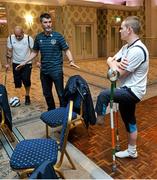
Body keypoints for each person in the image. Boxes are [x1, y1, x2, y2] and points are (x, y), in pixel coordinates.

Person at [95, 16, 149, 159]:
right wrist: (111, 62)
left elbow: (115, 74)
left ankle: (99, 119)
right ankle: (132, 151)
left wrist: (113, 64)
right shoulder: (126, 47)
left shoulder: (138, 50)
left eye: (122, 28)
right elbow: (110, 60)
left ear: (129, 30)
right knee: (129, 120)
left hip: (133, 91)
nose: (120, 31)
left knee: (104, 95)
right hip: (125, 88)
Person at [16, 13, 79, 111]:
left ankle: (63, 111)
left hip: (56, 70)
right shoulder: (38, 37)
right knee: (47, 93)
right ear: (41, 23)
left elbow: (66, 49)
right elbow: (35, 52)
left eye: (50, 22)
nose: (48, 24)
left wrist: (71, 60)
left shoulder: (58, 36)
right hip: (44, 71)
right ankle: (52, 110)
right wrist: (25, 62)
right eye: (45, 22)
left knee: (60, 93)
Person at [5, 26, 34, 105]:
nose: (17, 37)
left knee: (26, 80)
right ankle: (18, 98)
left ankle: (27, 96)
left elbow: (34, 51)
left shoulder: (28, 39)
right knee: (17, 82)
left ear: (23, 33)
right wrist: (8, 63)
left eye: (19, 36)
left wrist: (37, 61)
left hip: (27, 63)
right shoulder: (10, 38)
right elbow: (9, 52)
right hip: (16, 63)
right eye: (16, 35)